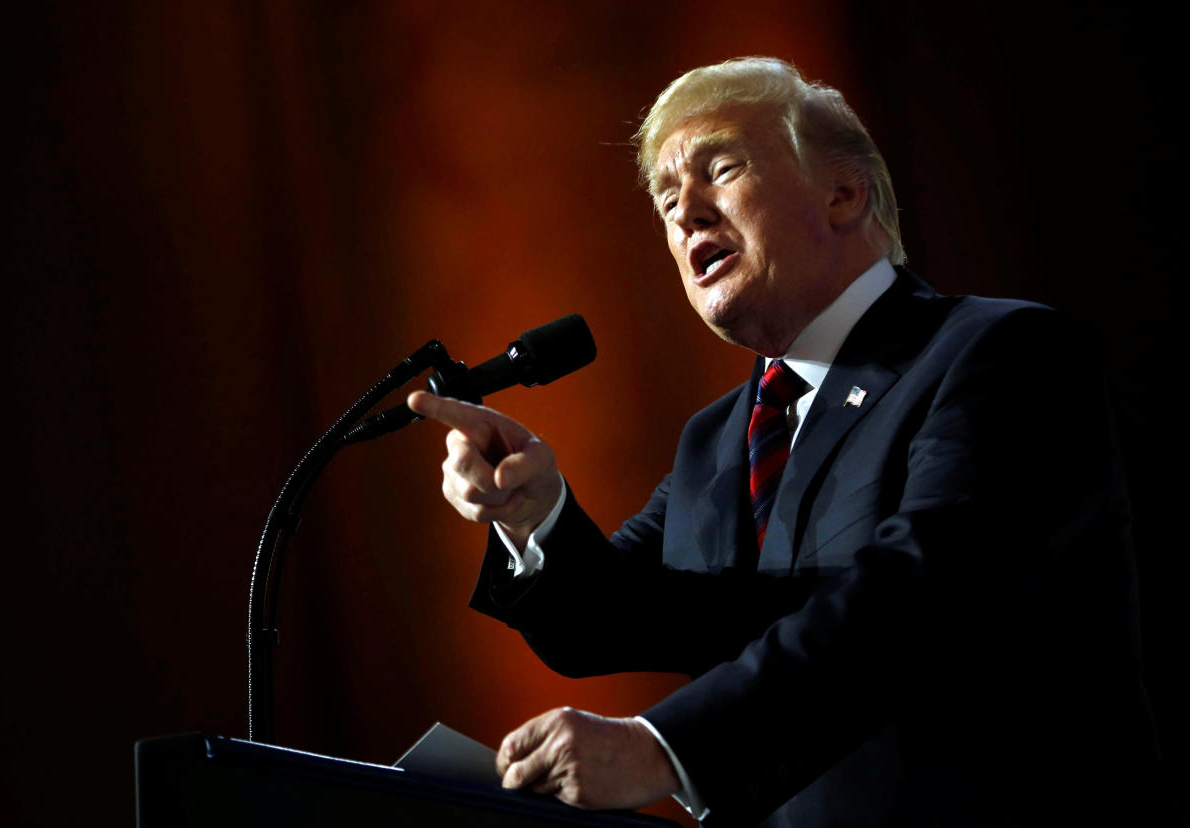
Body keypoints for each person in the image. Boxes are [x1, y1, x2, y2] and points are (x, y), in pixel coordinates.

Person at [407, 57, 1166, 826]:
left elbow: (913, 596)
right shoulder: (715, 440)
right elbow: (611, 618)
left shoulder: (1004, 353)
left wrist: (661, 747)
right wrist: (533, 515)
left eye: (721, 169)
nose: (685, 214)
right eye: (667, 199)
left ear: (842, 193)